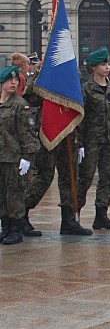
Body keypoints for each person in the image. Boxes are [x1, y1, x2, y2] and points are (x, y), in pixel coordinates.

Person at [22, 63, 90, 236]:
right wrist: (40, 73)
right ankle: (21, 213)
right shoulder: (44, 71)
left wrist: (80, 137)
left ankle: (68, 221)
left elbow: (76, 100)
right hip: (48, 129)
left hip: (69, 131)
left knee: (70, 176)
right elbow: (30, 97)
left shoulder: (70, 68)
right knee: (44, 175)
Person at [77, 48, 110, 229]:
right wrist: (80, 143)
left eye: (107, 64)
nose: (107, 67)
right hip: (91, 142)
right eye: (103, 64)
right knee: (85, 178)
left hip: (109, 141)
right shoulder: (86, 89)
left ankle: (101, 214)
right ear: (93, 67)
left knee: (108, 177)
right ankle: (75, 214)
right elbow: (80, 118)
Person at [0, 66, 41, 245]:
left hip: (14, 158)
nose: (13, 83)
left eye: (15, 80)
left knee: (15, 194)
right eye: (9, 80)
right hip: (1, 157)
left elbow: (28, 134)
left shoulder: (20, 104)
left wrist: (27, 157)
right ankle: (5, 228)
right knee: (1, 195)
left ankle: (16, 229)